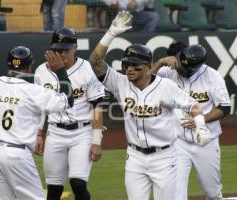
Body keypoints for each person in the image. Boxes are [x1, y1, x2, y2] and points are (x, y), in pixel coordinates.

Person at [88, 11, 212, 200]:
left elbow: (193, 105)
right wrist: (111, 33)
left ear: (148, 66)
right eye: (127, 64)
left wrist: (201, 125)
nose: (130, 69)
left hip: (164, 157)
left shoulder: (166, 87)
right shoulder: (120, 83)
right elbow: (95, 63)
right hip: (135, 157)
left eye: (136, 65)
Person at [0, 46, 74, 200]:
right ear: (30, 66)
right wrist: (60, 71)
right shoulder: (33, 91)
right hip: (17, 155)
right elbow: (68, 99)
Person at [152, 42, 231, 200]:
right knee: (176, 194)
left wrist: (201, 119)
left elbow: (224, 107)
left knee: (213, 194)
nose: (181, 69)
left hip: (207, 142)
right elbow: (144, 80)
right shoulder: (167, 72)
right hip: (178, 143)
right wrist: (160, 62)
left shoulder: (212, 76)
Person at [34, 27, 106, 200]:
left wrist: (97, 140)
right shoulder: (41, 71)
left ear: (75, 48)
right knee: (53, 189)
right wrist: (38, 134)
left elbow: (96, 105)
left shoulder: (86, 68)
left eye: (65, 49)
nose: (61, 53)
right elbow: (39, 107)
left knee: (78, 183)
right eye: (57, 49)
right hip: (54, 132)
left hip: (82, 133)